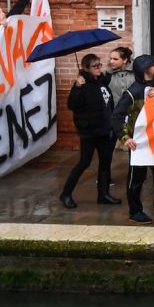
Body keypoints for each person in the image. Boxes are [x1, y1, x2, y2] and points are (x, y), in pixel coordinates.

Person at [113, 55, 154, 223]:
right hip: (139, 142)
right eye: (153, 64)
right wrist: (125, 138)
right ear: (144, 68)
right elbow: (117, 116)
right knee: (136, 178)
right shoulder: (132, 92)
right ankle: (135, 211)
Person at [61, 54, 121, 209]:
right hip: (89, 131)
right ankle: (66, 194)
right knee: (84, 162)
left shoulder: (100, 81)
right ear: (86, 68)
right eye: (95, 66)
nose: (99, 68)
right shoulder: (82, 84)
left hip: (104, 129)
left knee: (105, 162)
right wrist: (77, 86)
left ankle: (103, 195)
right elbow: (72, 104)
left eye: (99, 65)